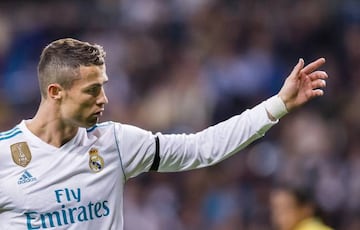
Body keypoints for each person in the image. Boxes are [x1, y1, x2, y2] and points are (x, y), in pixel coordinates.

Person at [0, 38, 328, 229]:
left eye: (104, 87)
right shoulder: (4, 158)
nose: (104, 99)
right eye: (92, 90)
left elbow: (202, 148)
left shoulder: (113, 143)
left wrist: (279, 104)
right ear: (56, 92)